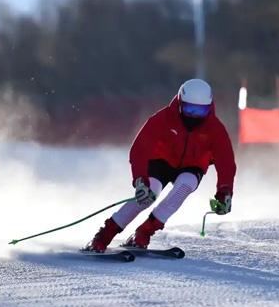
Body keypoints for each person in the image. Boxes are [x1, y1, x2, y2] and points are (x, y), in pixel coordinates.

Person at [84, 78, 236, 252]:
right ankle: (103, 236)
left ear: (209, 108)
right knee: (150, 193)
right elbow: (139, 150)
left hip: (193, 166)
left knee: (185, 186)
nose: (194, 116)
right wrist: (140, 181)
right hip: (161, 162)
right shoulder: (163, 118)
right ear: (180, 103)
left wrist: (225, 192)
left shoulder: (215, 128)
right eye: (189, 109)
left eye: (200, 111)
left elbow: (226, 163)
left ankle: (144, 233)